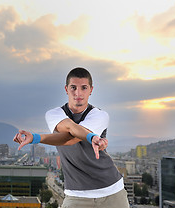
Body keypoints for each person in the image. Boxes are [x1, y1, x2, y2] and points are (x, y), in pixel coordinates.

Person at [13, 67, 129, 208]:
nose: (78, 93)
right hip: (76, 195)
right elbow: (69, 130)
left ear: (91, 90)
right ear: (66, 89)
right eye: (73, 87)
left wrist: (37, 138)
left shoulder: (99, 115)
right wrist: (92, 137)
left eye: (84, 88)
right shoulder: (54, 114)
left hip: (111, 192)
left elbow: (72, 139)